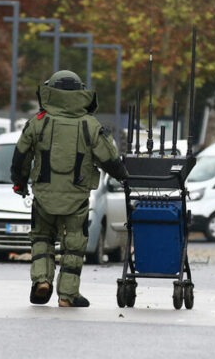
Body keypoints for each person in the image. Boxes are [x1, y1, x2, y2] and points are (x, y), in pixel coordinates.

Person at [10, 70, 129, 308]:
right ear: (80, 93)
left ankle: (42, 280)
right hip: (77, 197)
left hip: (44, 196)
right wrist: (125, 177)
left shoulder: (38, 122)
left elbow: (20, 156)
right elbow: (109, 159)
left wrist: (20, 183)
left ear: (50, 91)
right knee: (74, 244)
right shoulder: (90, 125)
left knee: (42, 238)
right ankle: (67, 295)